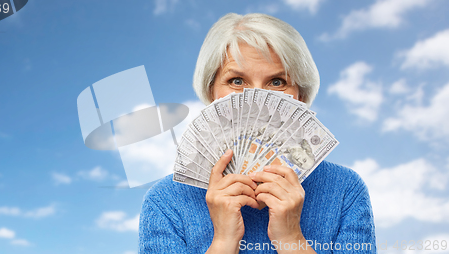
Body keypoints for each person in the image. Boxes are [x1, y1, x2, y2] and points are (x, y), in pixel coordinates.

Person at [139, 13, 376, 253]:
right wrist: (223, 241)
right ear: (211, 93)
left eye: (277, 82)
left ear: (301, 98)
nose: (257, 100)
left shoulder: (346, 190)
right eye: (237, 81)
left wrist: (291, 239)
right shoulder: (165, 202)